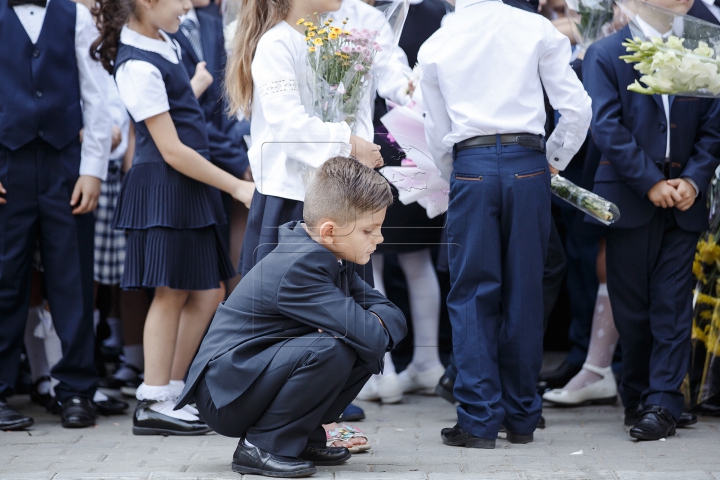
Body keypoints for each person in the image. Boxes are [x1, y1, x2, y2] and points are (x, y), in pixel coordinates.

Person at [419, 0, 591, 448]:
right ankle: (521, 417)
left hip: (471, 163)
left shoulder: (439, 40)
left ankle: (478, 421)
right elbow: (576, 108)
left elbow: (436, 131)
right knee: (526, 290)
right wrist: (552, 160)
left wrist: (452, 171)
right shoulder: (536, 28)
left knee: (473, 293)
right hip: (528, 162)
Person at [176, 156, 407, 478]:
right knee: (336, 346)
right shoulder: (301, 267)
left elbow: (393, 316)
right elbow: (371, 330)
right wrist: (372, 328)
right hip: (226, 394)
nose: (379, 238)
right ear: (329, 230)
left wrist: (374, 327)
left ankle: (301, 438)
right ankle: (262, 445)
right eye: (370, 229)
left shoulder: (329, 255)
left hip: (248, 380)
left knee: (352, 343)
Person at [93, 0, 255, 435]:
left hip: (188, 180)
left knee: (207, 292)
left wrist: (195, 85)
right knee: (171, 292)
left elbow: (173, 110)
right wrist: (236, 185)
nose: (189, 5)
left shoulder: (166, 38)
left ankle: (173, 391)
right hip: (166, 182)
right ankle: (153, 398)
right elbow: (169, 147)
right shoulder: (135, 63)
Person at [583, 0, 720, 440]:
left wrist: (695, 179)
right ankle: (639, 394)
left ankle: (663, 401)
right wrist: (648, 182)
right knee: (633, 309)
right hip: (630, 196)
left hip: (684, 199)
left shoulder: (702, 47)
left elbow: (715, 124)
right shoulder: (605, 53)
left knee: (672, 303)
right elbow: (606, 126)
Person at [0, 0, 112, 430]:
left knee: (73, 280)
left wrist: (92, 170)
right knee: (6, 279)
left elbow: (96, 94)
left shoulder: (76, 15)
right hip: (8, 166)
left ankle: (76, 390)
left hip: (66, 165)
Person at [227, 0, 384, 282]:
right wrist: (350, 144)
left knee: (343, 307)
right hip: (289, 199)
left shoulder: (335, 41)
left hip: (339, 195)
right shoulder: (277, 43)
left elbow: (357, 108)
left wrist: (361, 144)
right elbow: (289, 125)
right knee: (290, 310)